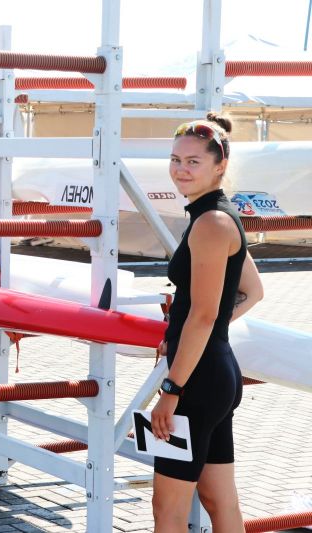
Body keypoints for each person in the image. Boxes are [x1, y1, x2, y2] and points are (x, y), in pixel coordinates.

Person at [149, 113, 264, 532]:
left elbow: (204, 313)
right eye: (176, 159)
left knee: (168, 510)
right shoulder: (217, 216)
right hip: (215, 372)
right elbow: (253, 291)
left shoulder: (211, 223)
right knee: (219, 501)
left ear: (220, 166)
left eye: (193, 161)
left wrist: (171, 390)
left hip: (196, 383)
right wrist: (189, 336)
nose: (181, 169)